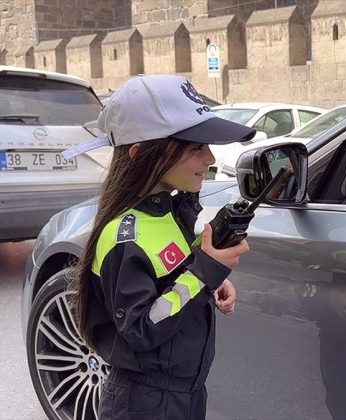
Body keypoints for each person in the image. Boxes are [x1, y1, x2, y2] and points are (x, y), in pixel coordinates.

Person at [65, 75, 255, 419]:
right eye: (195, 146)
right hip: (145, 403)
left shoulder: (165, 211)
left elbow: (167, 280)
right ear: (141, 154)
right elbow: (140, 327)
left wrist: (206, 276)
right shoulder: (123, 236)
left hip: (185, 392)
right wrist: (203, 273)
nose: (210, 157)